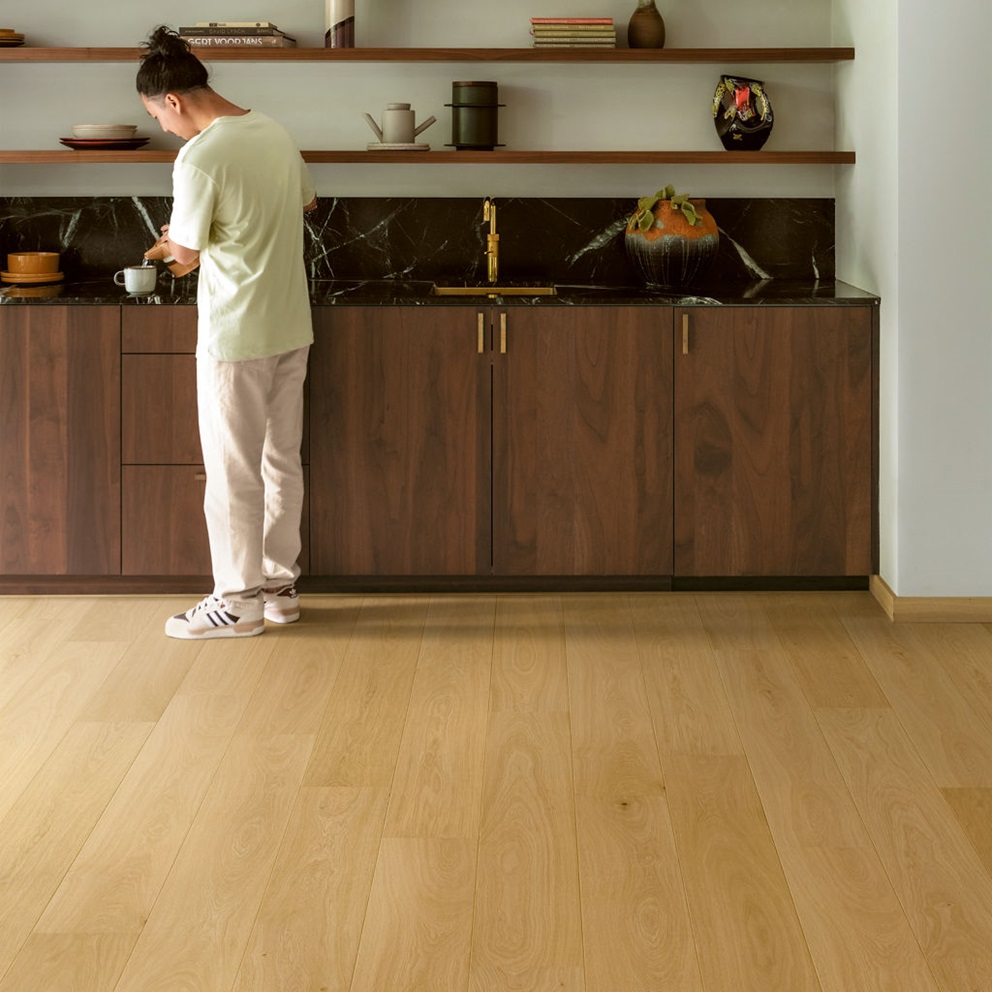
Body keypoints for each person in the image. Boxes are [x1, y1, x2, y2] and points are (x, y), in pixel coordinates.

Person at [136, 26, 317, 639]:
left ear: (172, 100)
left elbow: (185, 255)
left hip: (236, 333)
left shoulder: (200, 155)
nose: (166, 129)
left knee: (232, 470)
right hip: (289, 322)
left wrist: (171, 241)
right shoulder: (275, 131)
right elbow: (304, 203)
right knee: (280, 462)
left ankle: (236, 602)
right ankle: (278, 589)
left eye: (158, 117)